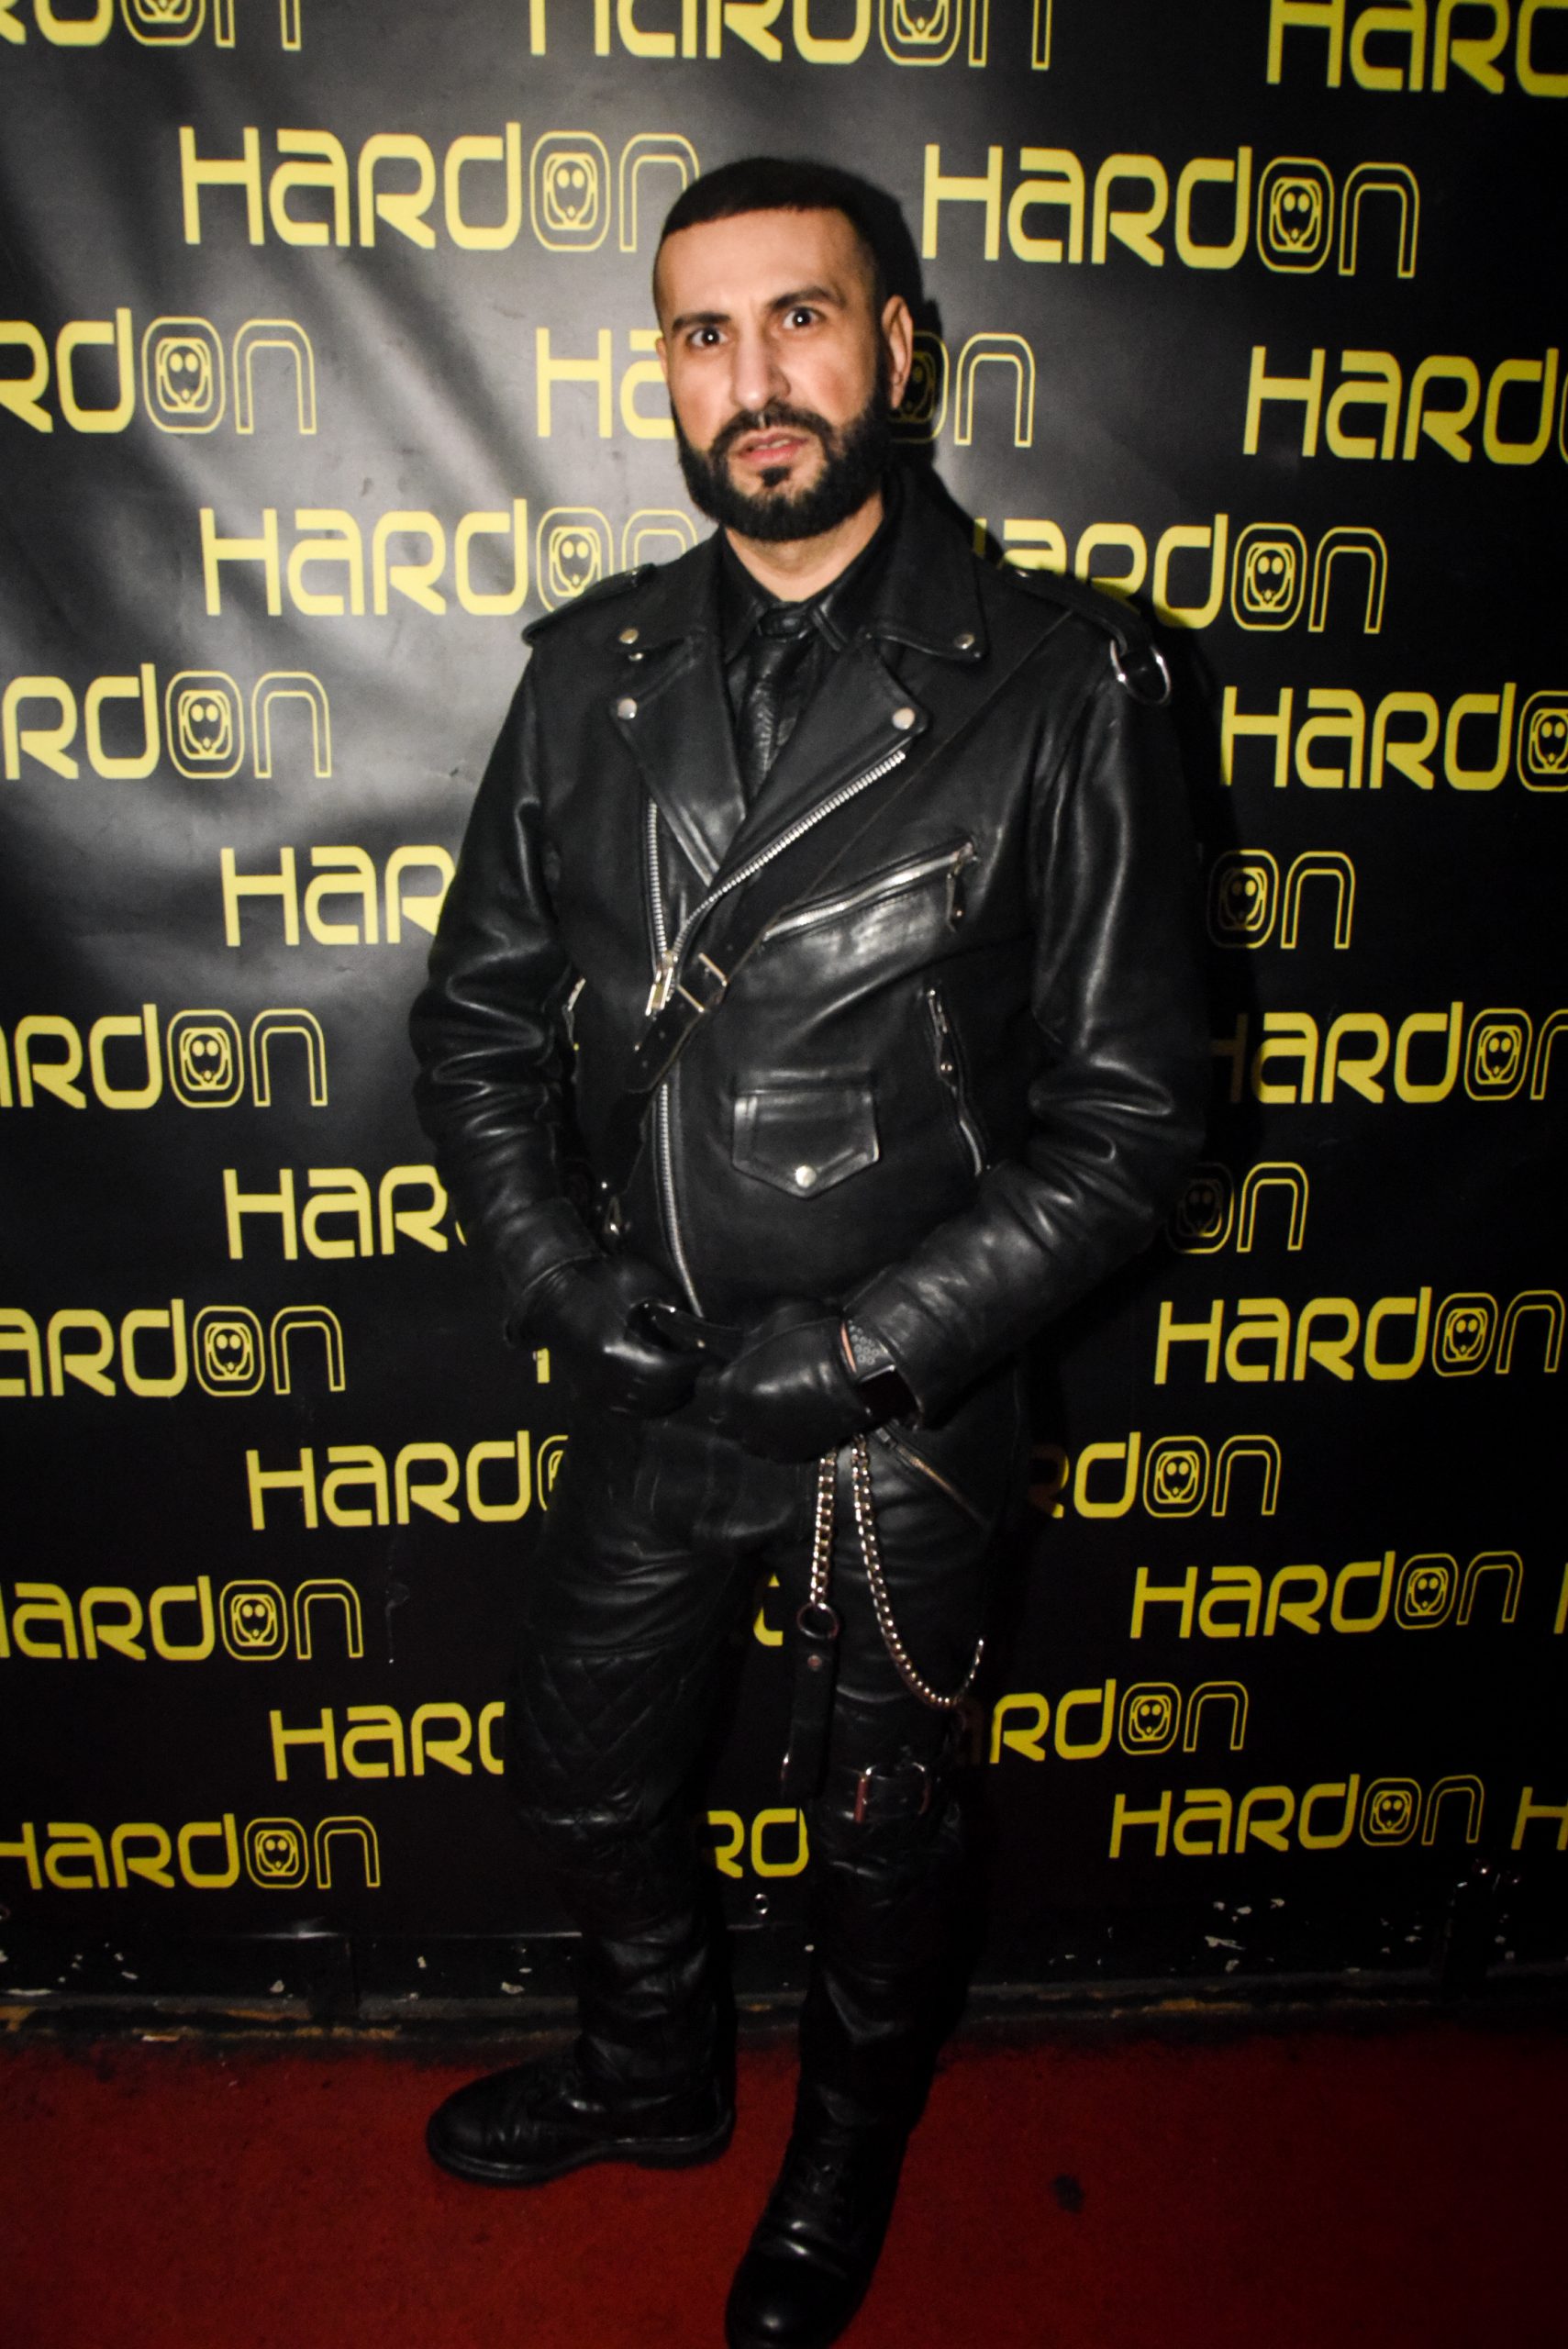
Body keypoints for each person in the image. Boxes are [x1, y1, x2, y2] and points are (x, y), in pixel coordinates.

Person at [410, 156, 1207, 2349]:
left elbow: (1135, 1123)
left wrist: (868, 1348)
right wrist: (564, 1280)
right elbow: (476, 1026)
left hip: (905, 1412)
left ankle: (842, 2149)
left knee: (881, 1833)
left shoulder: (1060, 684)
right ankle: (652, 2069)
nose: (752, 378)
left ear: (899, 347)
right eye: (703, 333)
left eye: (800, 318)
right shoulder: (591, 676)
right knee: (588, 1761)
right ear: (666, 374)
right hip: (656, 1373)